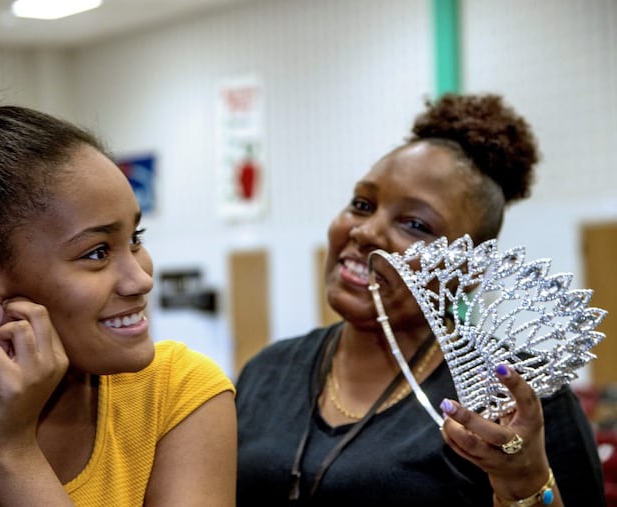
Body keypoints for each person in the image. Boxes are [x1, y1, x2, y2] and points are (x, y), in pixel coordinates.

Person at [0, 64, 237, 507]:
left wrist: (11, 448)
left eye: (134, 239)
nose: (141, 278)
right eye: (96, 253)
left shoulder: (179, 390)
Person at [235, 94, 605, 506]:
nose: (366, 232)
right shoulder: (266, 373)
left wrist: (524, 485)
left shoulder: (516, 401)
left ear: (467, 271)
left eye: (415, 224)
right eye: (362, 204)